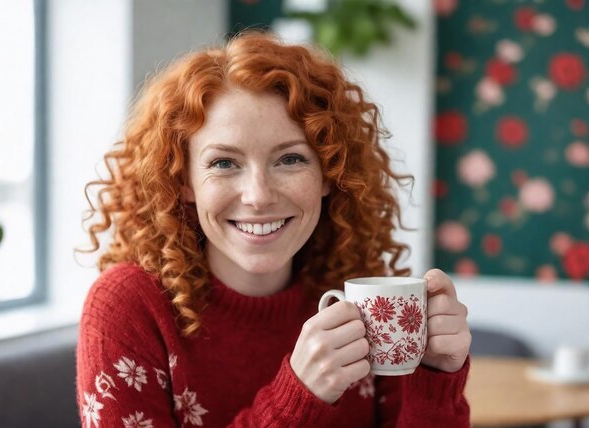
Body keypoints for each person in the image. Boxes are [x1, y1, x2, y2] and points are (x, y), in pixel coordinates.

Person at [76, 31, 471, 427]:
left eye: (290, 159)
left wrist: (437, 381)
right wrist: (298, 398)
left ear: (329, 174)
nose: (258, 196)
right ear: (182, 181)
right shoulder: (128, 309)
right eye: (224, 163)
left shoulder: (359, 295)